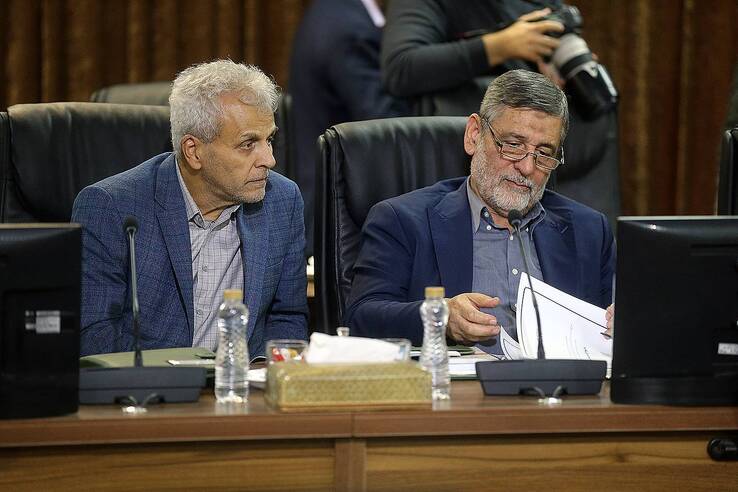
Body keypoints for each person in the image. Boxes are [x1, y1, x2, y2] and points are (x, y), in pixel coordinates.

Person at [344, 69, 614, 354]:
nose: (527, 167)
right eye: (513, 145)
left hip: (563, 383)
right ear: (474, 135)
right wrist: (441, 318)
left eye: (544, 153)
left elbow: (616, 321)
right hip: (456, 382)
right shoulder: (402, 220)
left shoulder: (589, 231)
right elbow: (360, 318)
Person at [72, 59, 308, 357]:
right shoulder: (112, 208)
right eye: (248, 144)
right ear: (193, 151)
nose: (269, 160)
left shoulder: (282, 200)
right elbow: (94, 336)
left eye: (269, 139)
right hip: (152, 384)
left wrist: (259, 373)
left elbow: (287, 317)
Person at [380, 0, 621, 227]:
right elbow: (401, 67)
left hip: (560, 157)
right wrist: (500, 46)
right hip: (471, 162)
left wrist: (552, 68)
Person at [288, 0, 409, 257]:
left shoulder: (331, 10)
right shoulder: (350, 30)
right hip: (337, 215)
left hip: (321, 199)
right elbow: (385, 124)